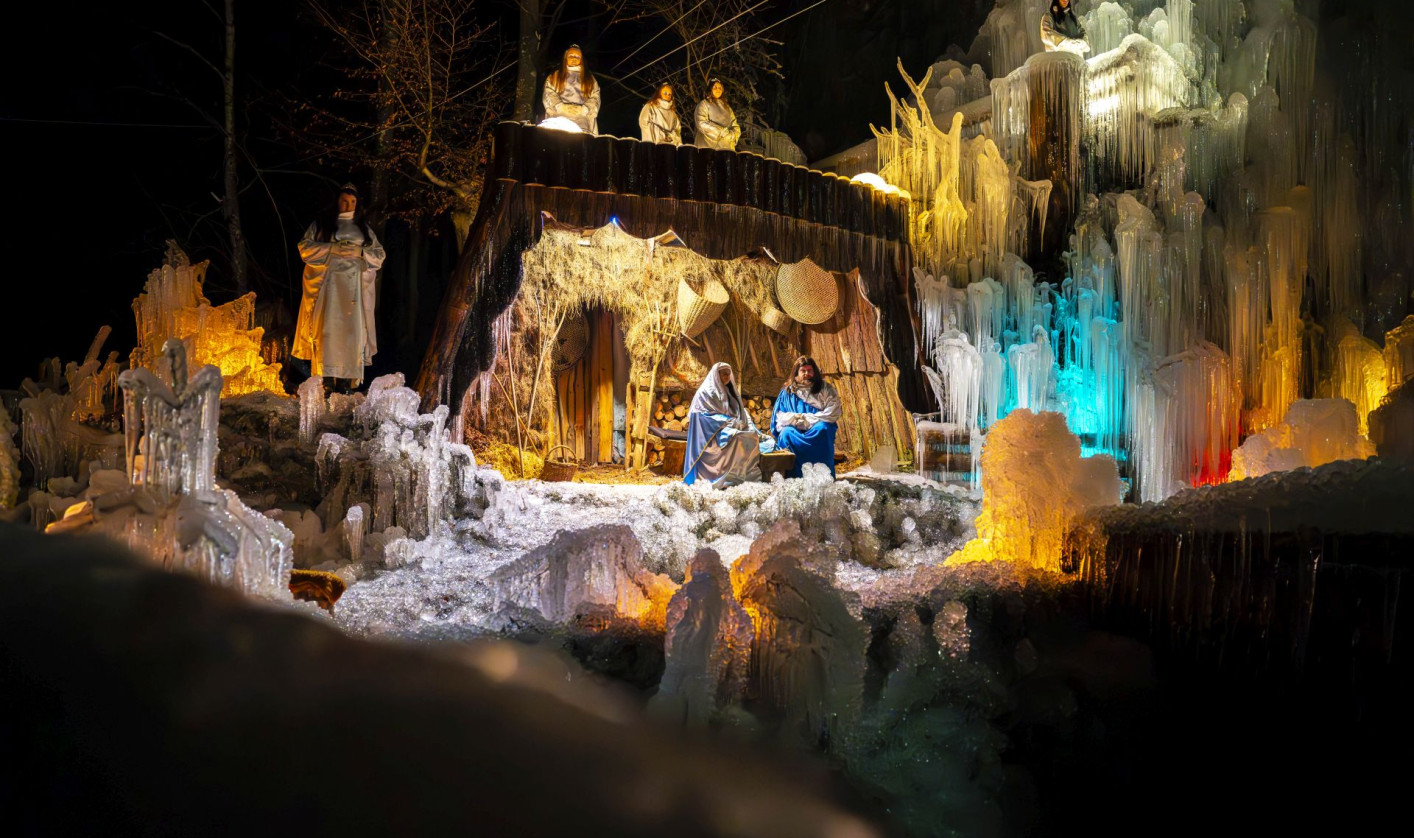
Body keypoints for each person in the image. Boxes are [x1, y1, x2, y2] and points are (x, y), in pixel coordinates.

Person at [294, 184, 386, 391]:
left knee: (352, 333)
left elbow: (379, 254)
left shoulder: (363, 229)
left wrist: (360, 254)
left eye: (353, 202)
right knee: (327, 331)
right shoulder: (322, 225)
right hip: (329, 289)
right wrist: (332, 249)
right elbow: (304, 248)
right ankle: (326, 379)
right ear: (337, 201)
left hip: (354, 290)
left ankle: (345, 382)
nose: (349, 205)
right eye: (345, 200)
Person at [684, 362, 764, 487]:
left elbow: (739, 411)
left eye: (728, 374)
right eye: (724, 374)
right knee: (740, 438)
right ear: (716, 375)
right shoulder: (706, 392)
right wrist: (728, 422)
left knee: (751, 435)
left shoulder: (729, 390)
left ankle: (741, 475)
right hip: (710, 434)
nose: (727, 377)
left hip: (725, 428)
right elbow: (700, 416)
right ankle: (724, 476)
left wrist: (743, 423)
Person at [771, 356, 841, 479]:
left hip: (817, 425)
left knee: (823, 429)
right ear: (797, 372)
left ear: (814, 372)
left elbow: (833, 410)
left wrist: (809, 420)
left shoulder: (825, 388)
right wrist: (797, 419)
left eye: (809, 370)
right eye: (803, 370)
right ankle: (793, 478)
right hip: (794, 428)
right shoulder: (788, 390)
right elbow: (779, 416)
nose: (807, 373)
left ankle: (823, 478)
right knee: (786, 433)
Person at [542, 45, 600, 133]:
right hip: (559, 117)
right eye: (571, 56)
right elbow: (548, 92)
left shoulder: (589, 79)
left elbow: (595, 96)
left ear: (581, 59)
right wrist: (560, 107)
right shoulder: (555, 76)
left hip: (581, 119)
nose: (574, 58)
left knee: (579, 143)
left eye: (577, 56)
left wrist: (584, 109)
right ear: (566, 58)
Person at [694, 78, 740, 151]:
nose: (718, 89)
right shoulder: (704, 104)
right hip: (708, 147)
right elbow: (701, 123)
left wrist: (732, 135)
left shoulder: (728, 108)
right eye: (715, 87)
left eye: (720, 88)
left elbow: (735, 126)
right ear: (710, 89)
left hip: (727, 148)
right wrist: (720, 131)